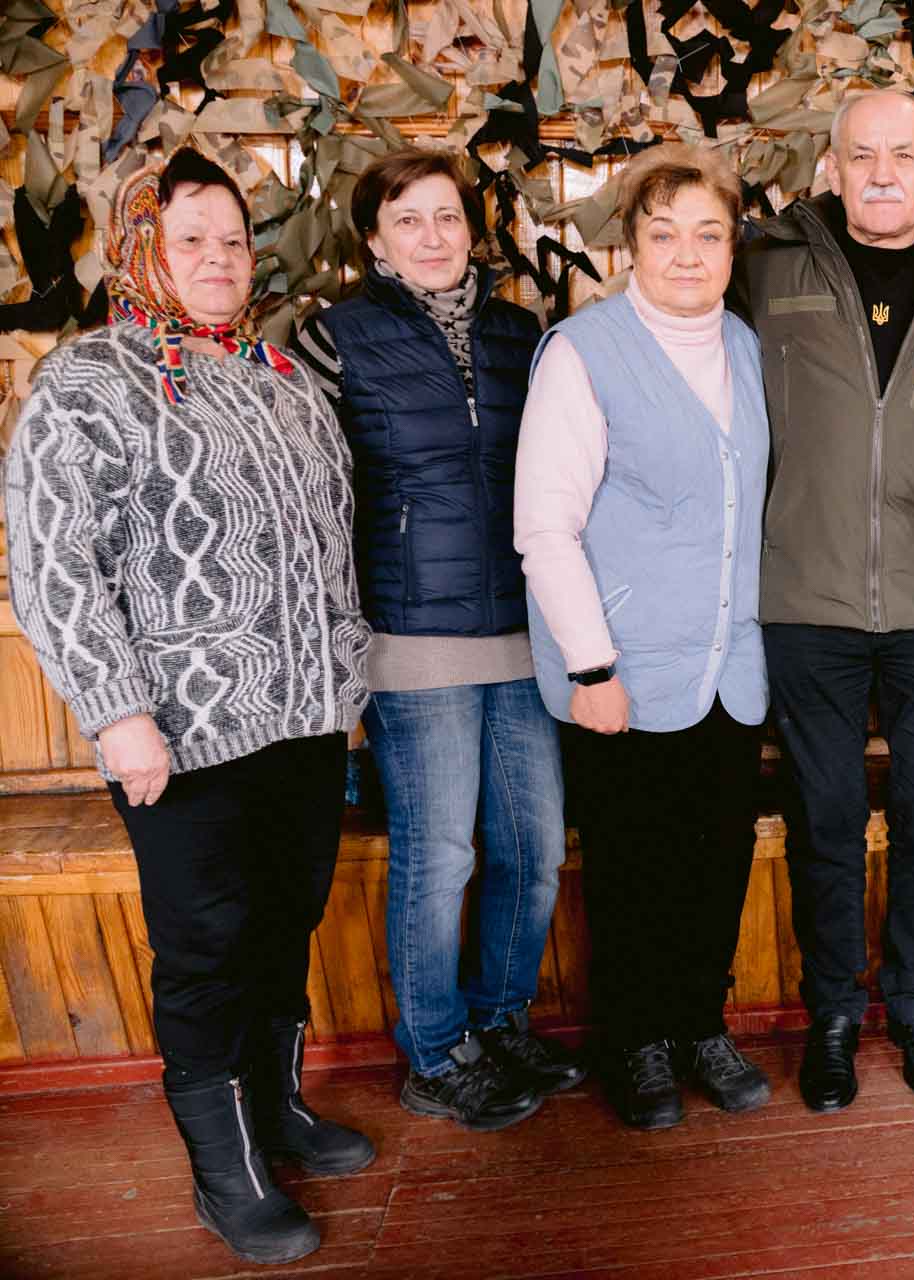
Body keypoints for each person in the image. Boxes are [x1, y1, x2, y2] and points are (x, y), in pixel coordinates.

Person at [4, 147, 371, 1264]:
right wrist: (117, 712)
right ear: (142, 250)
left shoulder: (281, 374)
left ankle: (277, 1109)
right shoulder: (90, 379)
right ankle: (226, 1169)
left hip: (304, 720)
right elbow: (52, 558)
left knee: (285, 918)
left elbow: (328, 540)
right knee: (207, 942)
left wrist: (342, 677)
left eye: (233, 240)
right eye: (191, 240)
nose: (219, 259)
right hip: (180, 734)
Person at [732, 88, 914, 1112]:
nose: (884, 173)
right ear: (832, 165)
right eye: (863, 155)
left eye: (904, 154)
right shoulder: (764, 267)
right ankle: (832, 1015)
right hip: (804, 596)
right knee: (824, 816)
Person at [290, 148, 575, 1135]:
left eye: (447, 216)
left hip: (523, 632)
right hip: (410, 638)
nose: (431, 236)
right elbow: (312, 496)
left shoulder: (521, 334)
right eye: (407, 219)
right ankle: (436, 1052)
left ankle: (499, 1020)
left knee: (534, 849)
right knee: (441, 853)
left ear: (472, 230)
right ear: (374, 240)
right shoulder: (335, 337)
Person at [514, 144, 771, 1131]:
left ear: (733, 246)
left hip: (728, 668)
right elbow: (545, 527)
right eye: (664, 234)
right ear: (630, 244)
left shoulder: (743, 346)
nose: (688, 254)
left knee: (717, 860)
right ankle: (637, 1040)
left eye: (709, 233)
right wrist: (592, 666)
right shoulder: (583, 352)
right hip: (620, 670)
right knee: (632, 869)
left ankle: (700, 1023)